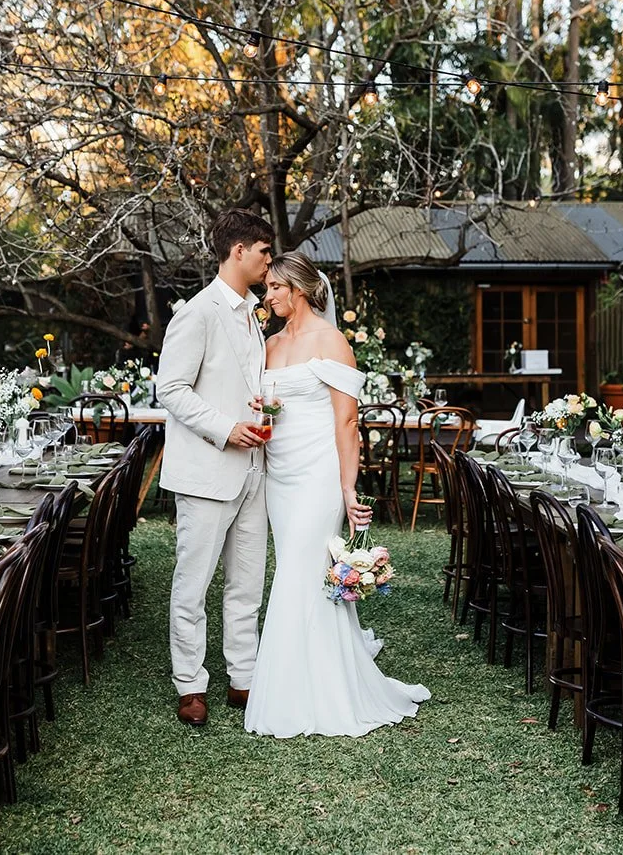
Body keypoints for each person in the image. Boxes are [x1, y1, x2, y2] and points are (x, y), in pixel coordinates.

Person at [244, 251, 430, 737]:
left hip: (319, 474)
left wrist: (348, 489)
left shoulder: (332, 340)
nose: (268, 296)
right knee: (292, 569)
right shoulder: (270, 343)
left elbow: (347, 421)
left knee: (297, 575)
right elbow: (266, 407)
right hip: (278, 474)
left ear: (299, 289)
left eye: (275, 289)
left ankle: (302, 692)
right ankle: (308, 676)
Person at [154, 209, 275, 727]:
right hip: (207, 471)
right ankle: (190, 685)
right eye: (265, 250)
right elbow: (171, 389)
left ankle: (242, 677)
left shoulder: (253, 314)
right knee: (193, 583)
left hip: (254, 471)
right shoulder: (197, 312)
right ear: (239, 251)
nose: (270, 259)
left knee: (247, 582)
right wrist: (225, 429)